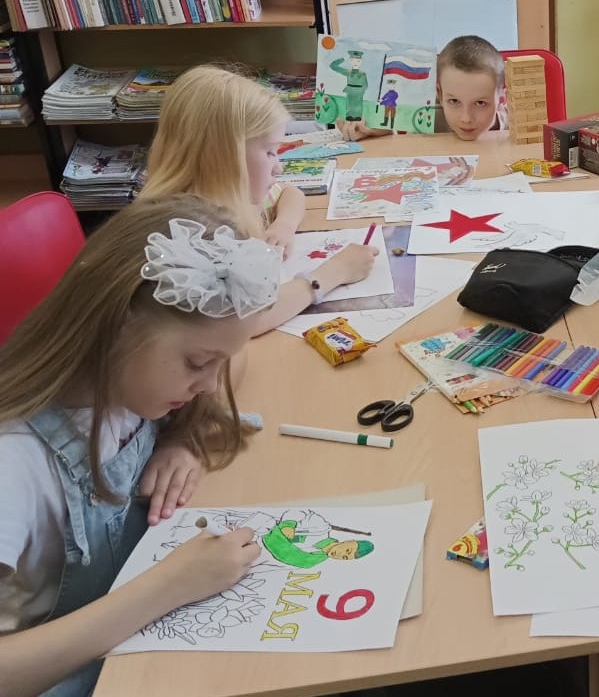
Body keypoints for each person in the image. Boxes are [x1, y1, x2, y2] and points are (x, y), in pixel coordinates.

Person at [0, 195, 274, 697]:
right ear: (117, 326)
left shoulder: (128, 387)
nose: (210, 386)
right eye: (197, 363)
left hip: (136, 647)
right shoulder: (12, 461)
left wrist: (182, 439)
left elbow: (232, 362)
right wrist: (167, 588)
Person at [141, 65, 378, 336]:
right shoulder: (188, 232)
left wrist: (284, 225)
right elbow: (246, 320)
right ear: (225, 157)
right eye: (270, 153)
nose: (278, 167)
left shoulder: (230, 196)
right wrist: (334, 273)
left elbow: (290, 193)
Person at [437, 35, 508, 140]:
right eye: (454, 101)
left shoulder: (519, 124)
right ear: (440, 95)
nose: (466, 119)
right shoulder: (423, 120)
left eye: (480, 103)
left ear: (501, 99)